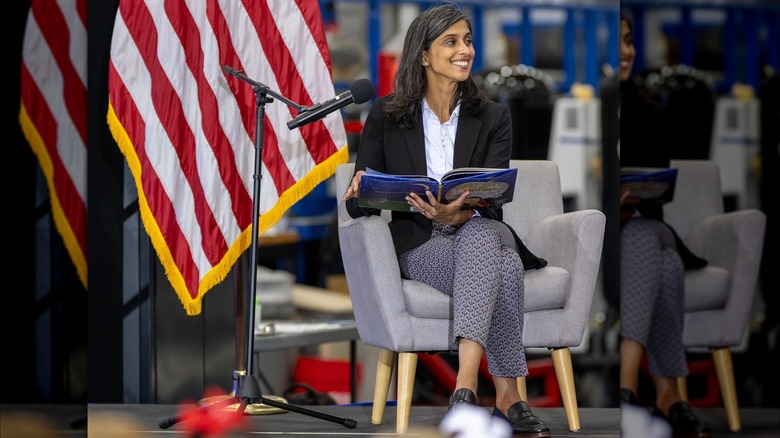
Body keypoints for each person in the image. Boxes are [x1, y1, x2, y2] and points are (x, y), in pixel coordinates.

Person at [341, 3, 550, 437]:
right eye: (451, 42)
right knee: (503, 265)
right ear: (423, 54)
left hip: (477, 226)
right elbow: (360, 206)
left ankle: (466, 388)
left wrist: (461, 210)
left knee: (478, 232)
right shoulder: (385, 114)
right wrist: (361, 190)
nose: (464, 51)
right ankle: (509, 396)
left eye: (468, 41)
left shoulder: (493, 117)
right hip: (418, 241)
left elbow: (495, 199)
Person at [618, 12, 711, 438]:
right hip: (604, 236)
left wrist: (634, 193)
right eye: (619, 41)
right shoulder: (595, 109)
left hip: (643, 221)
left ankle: (627, 389)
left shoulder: (652, 112)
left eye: (631, 40)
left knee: (641, 234)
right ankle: (671, 395)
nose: (627, 51)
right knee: (668, 266)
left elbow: (656, 182)